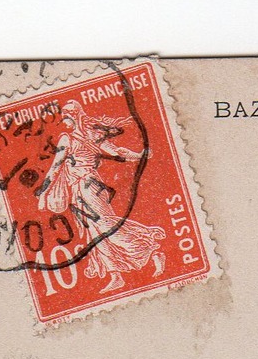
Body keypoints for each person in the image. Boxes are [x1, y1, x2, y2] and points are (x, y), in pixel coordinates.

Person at [35, 100, 167, 294]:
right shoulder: (90, 136)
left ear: (76, 116)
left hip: (88, 187)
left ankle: (151, 249)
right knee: (95, 235)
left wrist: (43, 193)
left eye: (68, 116)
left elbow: (55, 169)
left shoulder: (71, 139)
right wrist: (139, 155)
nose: (65, 121)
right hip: (81, 190)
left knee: (106, 226)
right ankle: (116, 276)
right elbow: (117, 152)